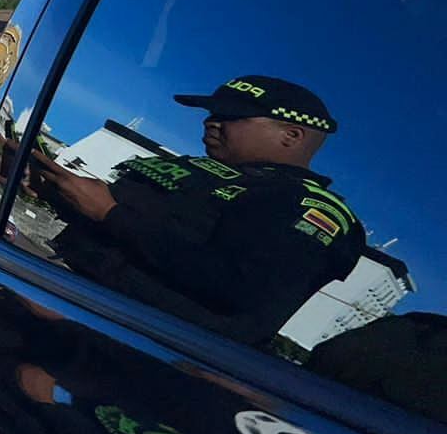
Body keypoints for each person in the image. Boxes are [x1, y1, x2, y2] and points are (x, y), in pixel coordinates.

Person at [27, 75, 363, 348]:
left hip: (152, 354)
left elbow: (238, 285)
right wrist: (51, 191)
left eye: (230, 116)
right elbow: (147, 235)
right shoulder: (198, 173)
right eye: (212, 114)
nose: (211, 123)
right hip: (79, 306)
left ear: (291, 135)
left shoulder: (310, 207)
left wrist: (111, 213)